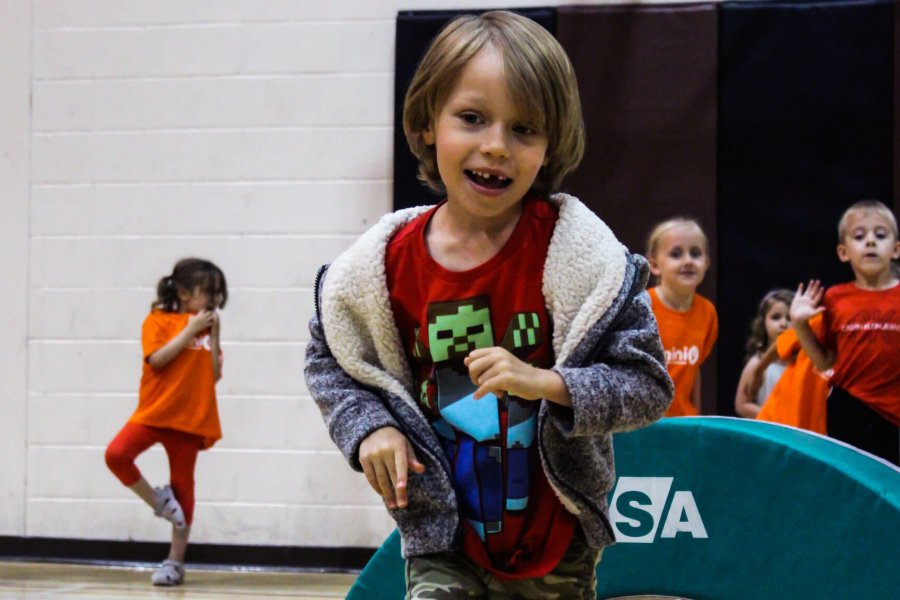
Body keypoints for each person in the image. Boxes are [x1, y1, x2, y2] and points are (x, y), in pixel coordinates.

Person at [304, 11, 673, 599]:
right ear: (428, 123)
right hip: (443, 541)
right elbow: (330, 357)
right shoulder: (379, 268)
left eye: (524, 129)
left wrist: (547, 382)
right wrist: (368, 426)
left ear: (551, 143)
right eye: (472, 118)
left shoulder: (583, 258)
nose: (496, 145)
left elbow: (648, 385)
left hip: (556, 543)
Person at [104, 258, 227, 586]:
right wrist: (189, 329)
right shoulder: (157, 321)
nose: (214, 300)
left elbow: (213, 376)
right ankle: (158, 500)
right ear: (185, 293)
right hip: (156, 412)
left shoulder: (206, 328)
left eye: (218, 294)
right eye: (208, 292)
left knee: (185, 487)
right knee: (116, 455)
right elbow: (157, 360)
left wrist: (213, 336)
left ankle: (175, 562)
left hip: (189, 418)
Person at [790, 200, 900, 465]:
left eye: (880, 235)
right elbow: (825, 362)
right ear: (843, 252)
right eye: (860, 236)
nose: (871, 242)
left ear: (896, 249)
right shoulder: (835, 298)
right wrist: (800, 324)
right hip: (850, 411)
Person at [645, 218, 718, 417]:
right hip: (642, 423)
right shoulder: (642, 307)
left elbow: (694, 372)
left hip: (683, 423)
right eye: (676, 254)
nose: (688, 261)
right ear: (654, 265)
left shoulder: (708, 312)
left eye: (695, 253)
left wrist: (696, 420)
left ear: (706, 262)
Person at [754, 314, 830, 435]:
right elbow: (782, 343)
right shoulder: (822, 321)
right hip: (783, 422)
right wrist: (758, 371)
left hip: (818, 431)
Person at [734, 289, 793, 418]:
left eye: (790, 318)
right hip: (770, 432)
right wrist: (775, 418)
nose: (783, 324)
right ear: (763, 322)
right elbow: (742, 405)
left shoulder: (804, 361)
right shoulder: (757, 363)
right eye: (776, 317)